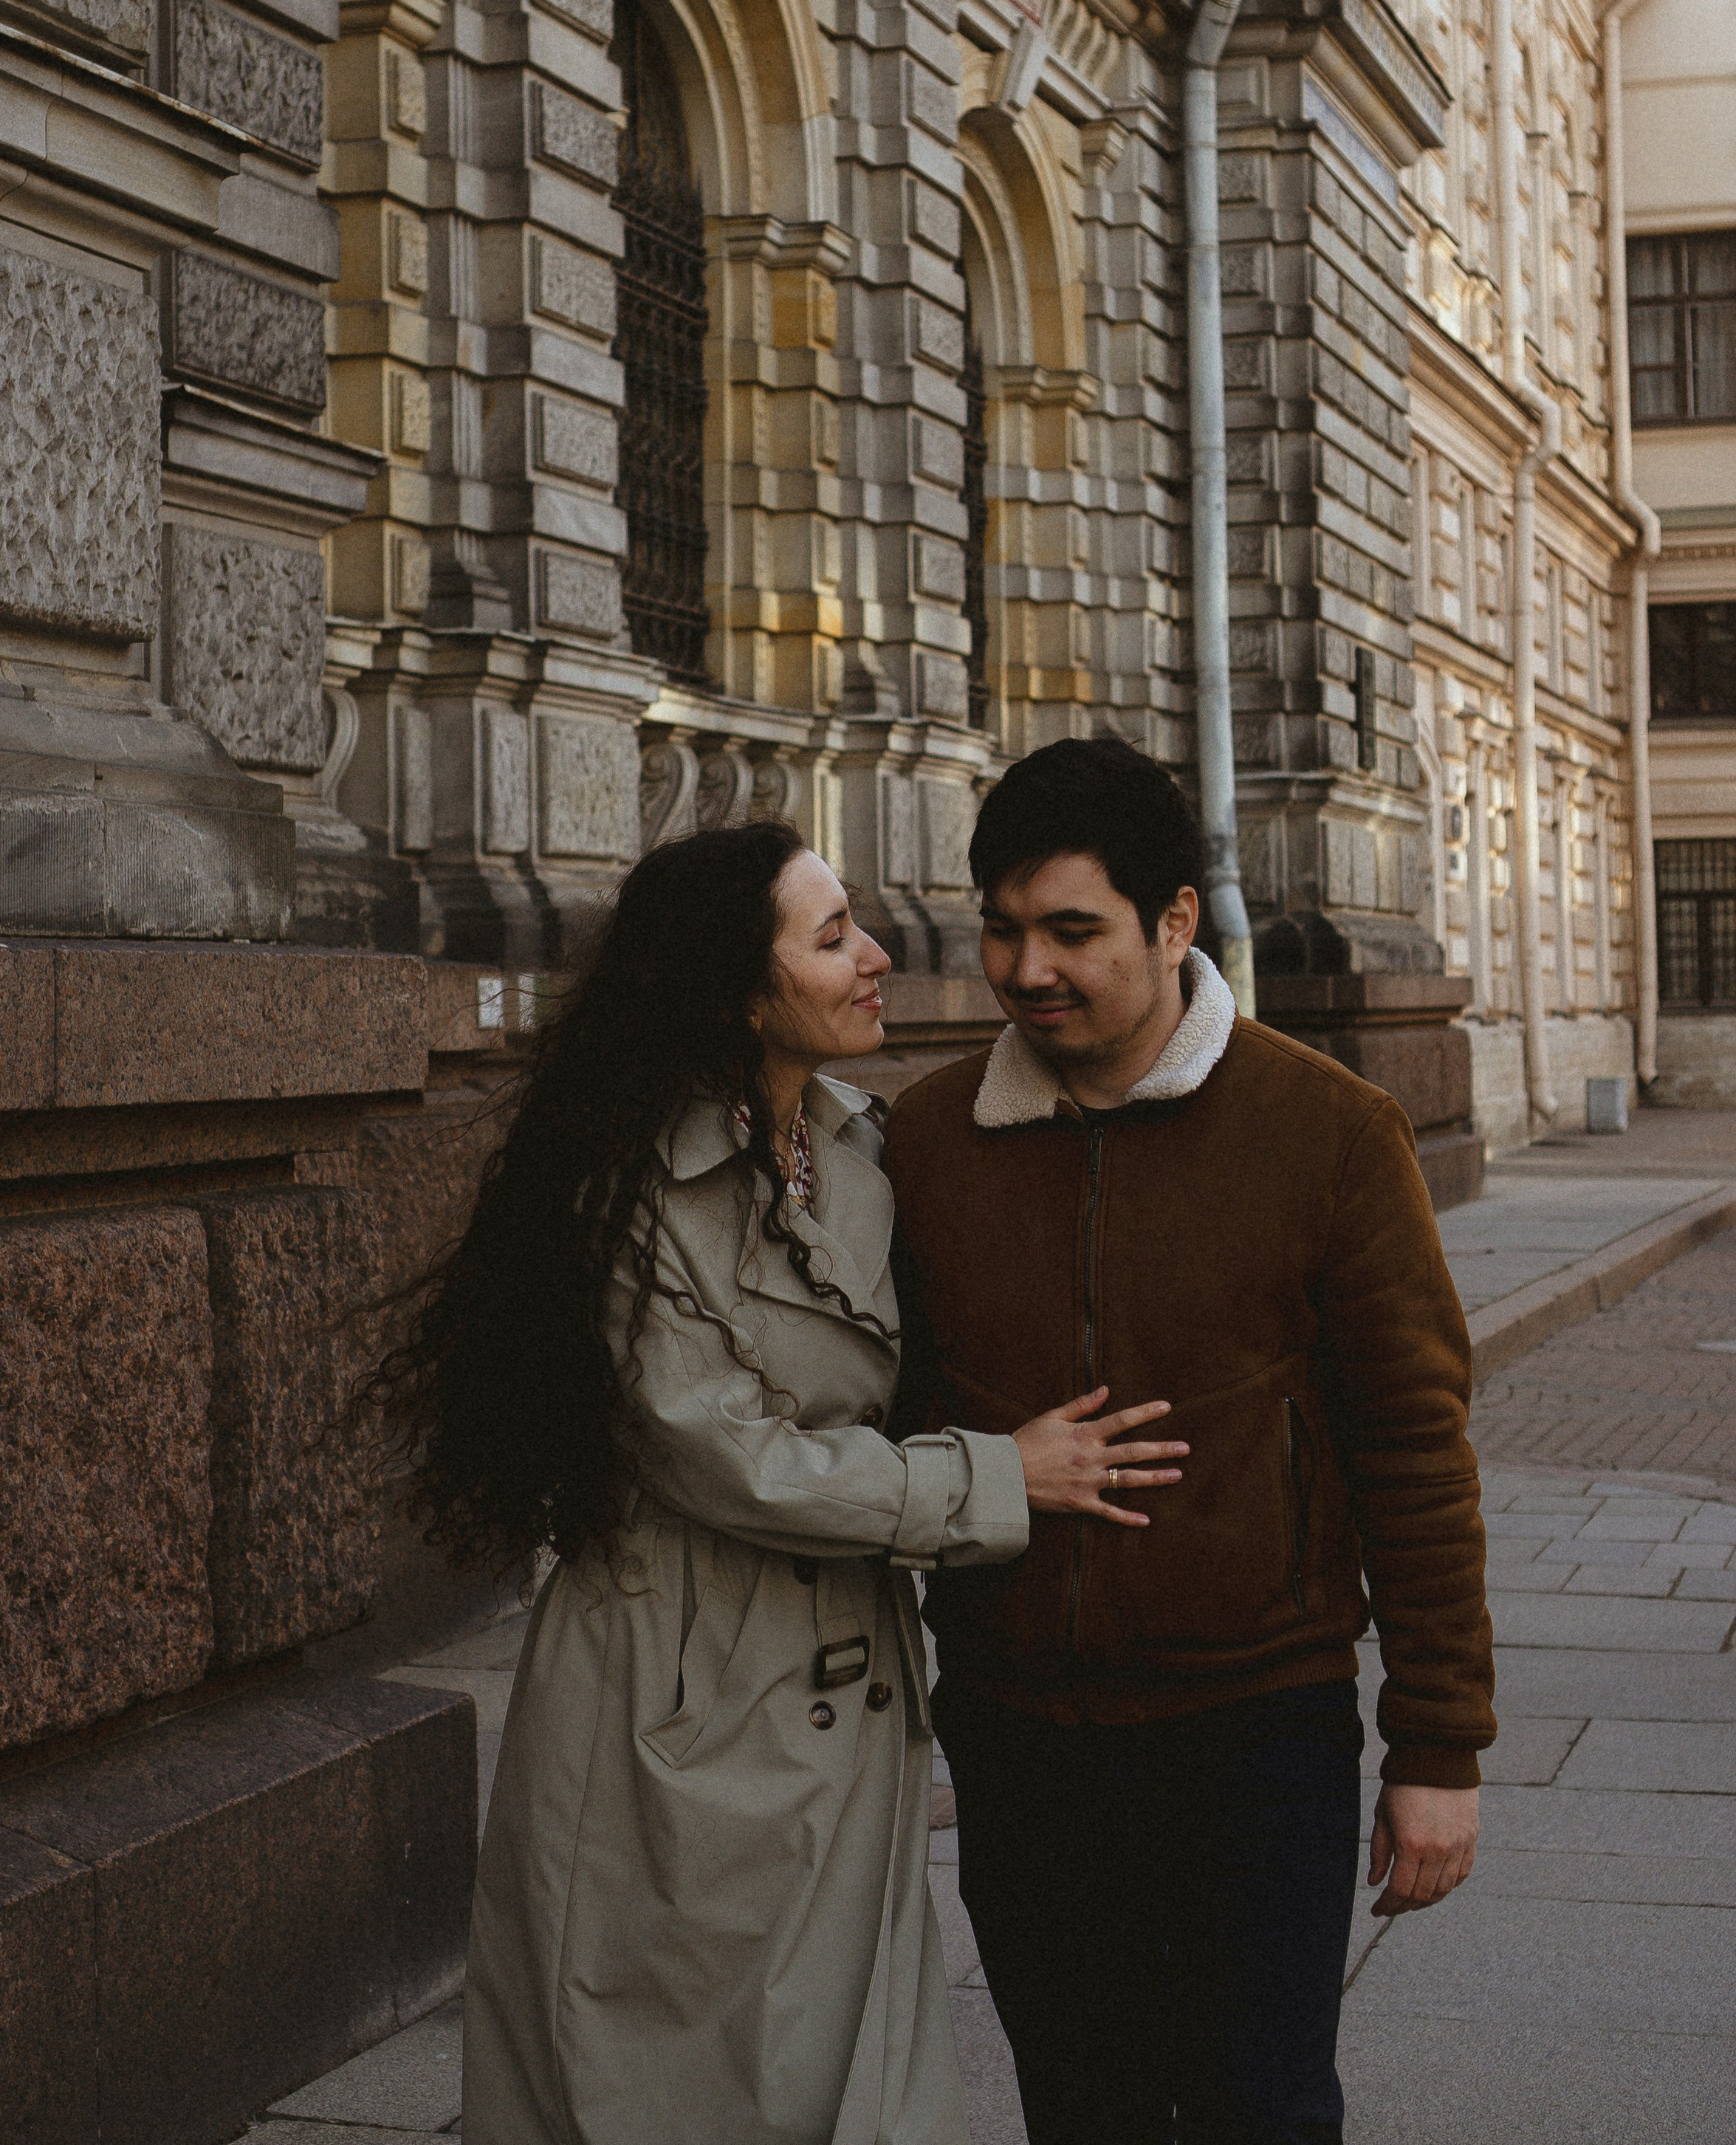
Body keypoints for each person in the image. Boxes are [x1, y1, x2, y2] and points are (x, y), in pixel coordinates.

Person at [380, 818, 1187, 2145]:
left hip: (843, 1679)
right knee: (670, 2076)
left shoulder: (863, 1148)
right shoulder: (630, 1188)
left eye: (857, 921)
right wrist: (1001, 1478)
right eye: (831, 937)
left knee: (846, 2075)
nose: (878, 955)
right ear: (735, 993)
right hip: (682, 1688)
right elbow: (728, 1460)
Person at [882, 736, 1495, 2145]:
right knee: (1078, 2110)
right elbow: (879, 1421)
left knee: (1257, 2114)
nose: (1028, 966)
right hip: (1022, 1731)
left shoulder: (1330, 1130)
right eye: (1002, 928)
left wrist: (1439, 1748)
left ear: (1173, 923)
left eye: (1072, 930)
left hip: (1254, 1735)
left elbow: (1414, 1450)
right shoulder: (925, 1140)